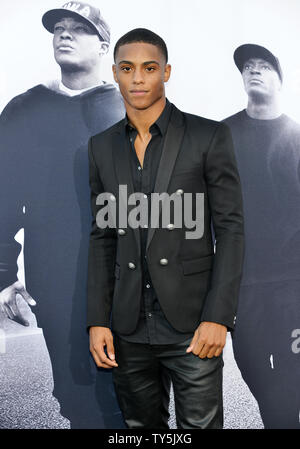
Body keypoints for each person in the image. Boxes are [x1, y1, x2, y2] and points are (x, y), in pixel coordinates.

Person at [87, 28, 244, 429]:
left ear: (166, 72)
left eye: (149, 67)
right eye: (128, 68)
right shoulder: (100, 146)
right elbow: (103, 237)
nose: (138, 78)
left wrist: (218, 317)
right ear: (115, 74)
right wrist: (97, 320)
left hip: (193, 327)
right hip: (127, 328)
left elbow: (230, 231)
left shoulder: (209, 136)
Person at [0, 2, 125, 428]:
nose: (64, 34)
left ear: (104, 45)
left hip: (130, 285)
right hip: (58, 283)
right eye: (59, 28)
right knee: (78, 401)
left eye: (79, 29)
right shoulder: (24, 110)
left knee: (131, 401)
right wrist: (2, 275)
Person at [223, 44, 300, 429]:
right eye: (248, 66)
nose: (253, 70)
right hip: (243, 283)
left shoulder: (296, 137)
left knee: (292, 373)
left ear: (280, 80)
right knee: (253, 366)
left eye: (264, 66)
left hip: (293, 283)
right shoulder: (219, 137)